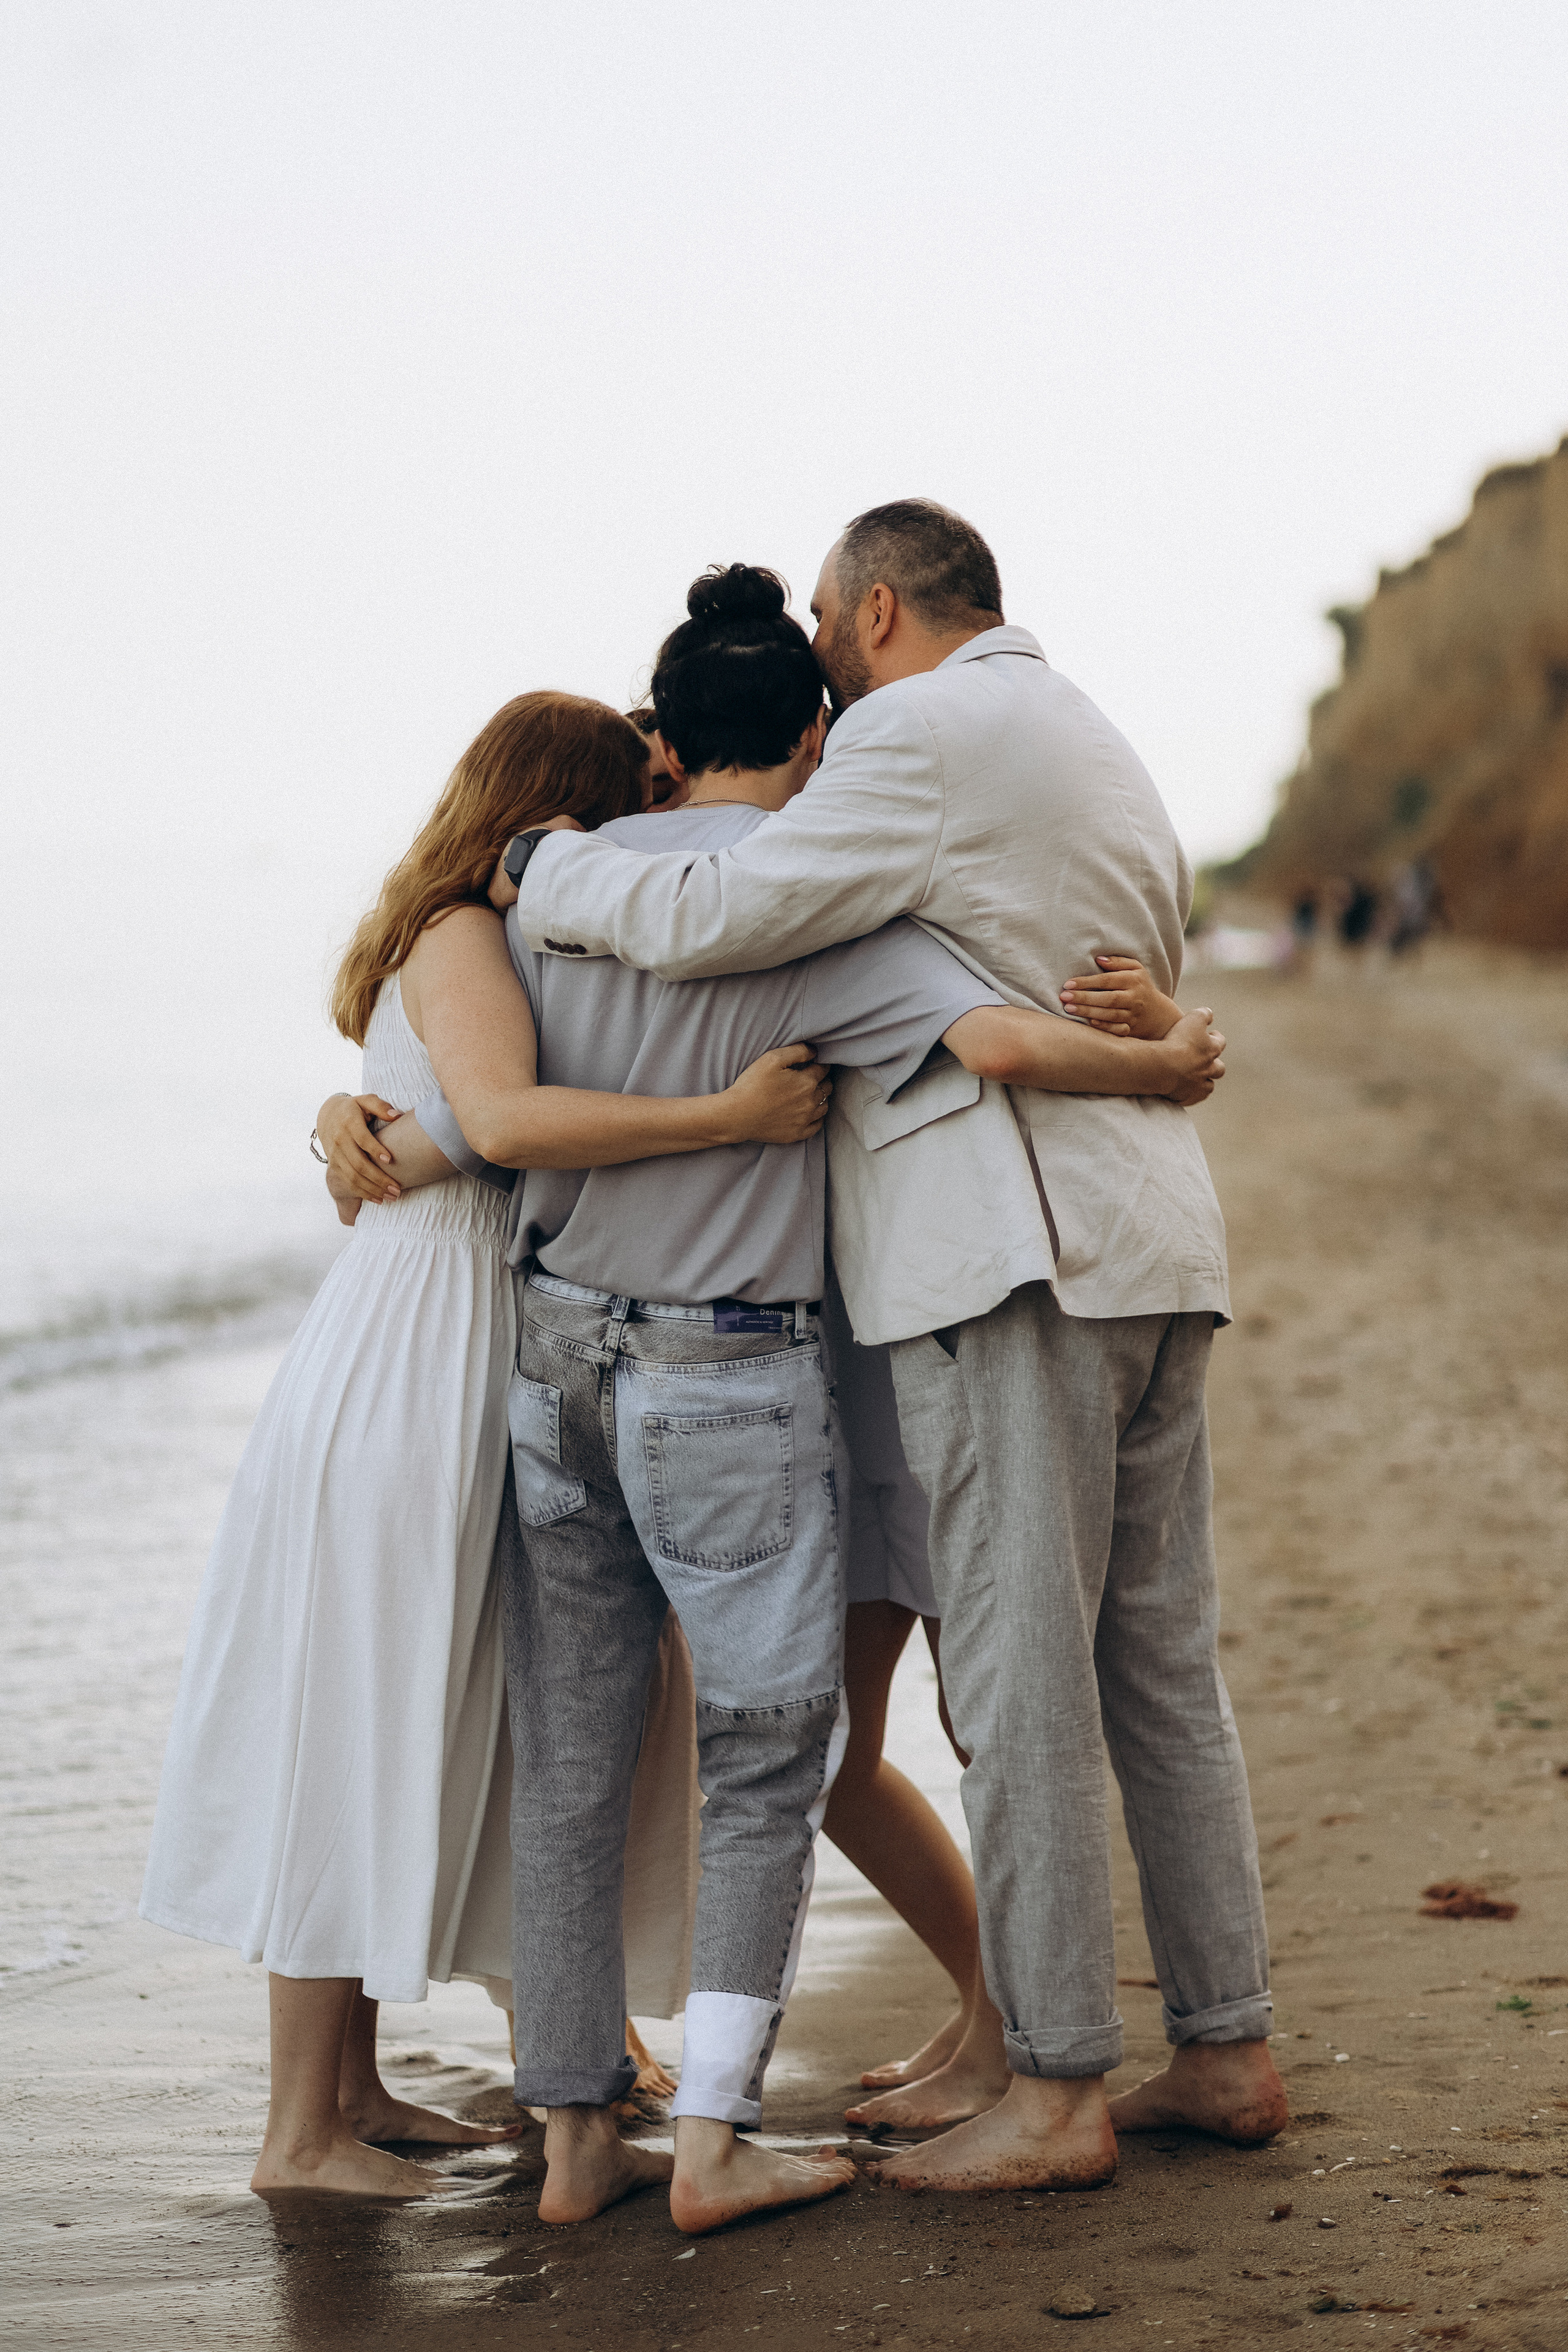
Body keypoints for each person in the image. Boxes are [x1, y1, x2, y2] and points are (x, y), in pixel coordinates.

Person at [379, 566, 1226, 2233]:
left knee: (573, 1758)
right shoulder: (821, 916)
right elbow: (1000, 1044)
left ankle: (570, 2146)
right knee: (767, 1759)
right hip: (723, 1376)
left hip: (555, 1364)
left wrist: (365, 1144)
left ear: (666, 734)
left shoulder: (536, 889)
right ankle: (711, 2137)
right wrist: (1169, 1057)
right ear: (818, 728)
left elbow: (483, 1110)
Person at [140, 690, 827, 2201]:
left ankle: (359, 2088)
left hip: (441, 1328)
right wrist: (723, 1113)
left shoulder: (476, 930)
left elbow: (431, 1134)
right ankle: (299, 2136)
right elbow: (503, 1126)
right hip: (422, 1348)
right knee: (364, 1715)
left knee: (411, 1711)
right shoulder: (467, 930)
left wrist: (353, 1126)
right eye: (629, 797)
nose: (650, 822)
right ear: (560, 808)